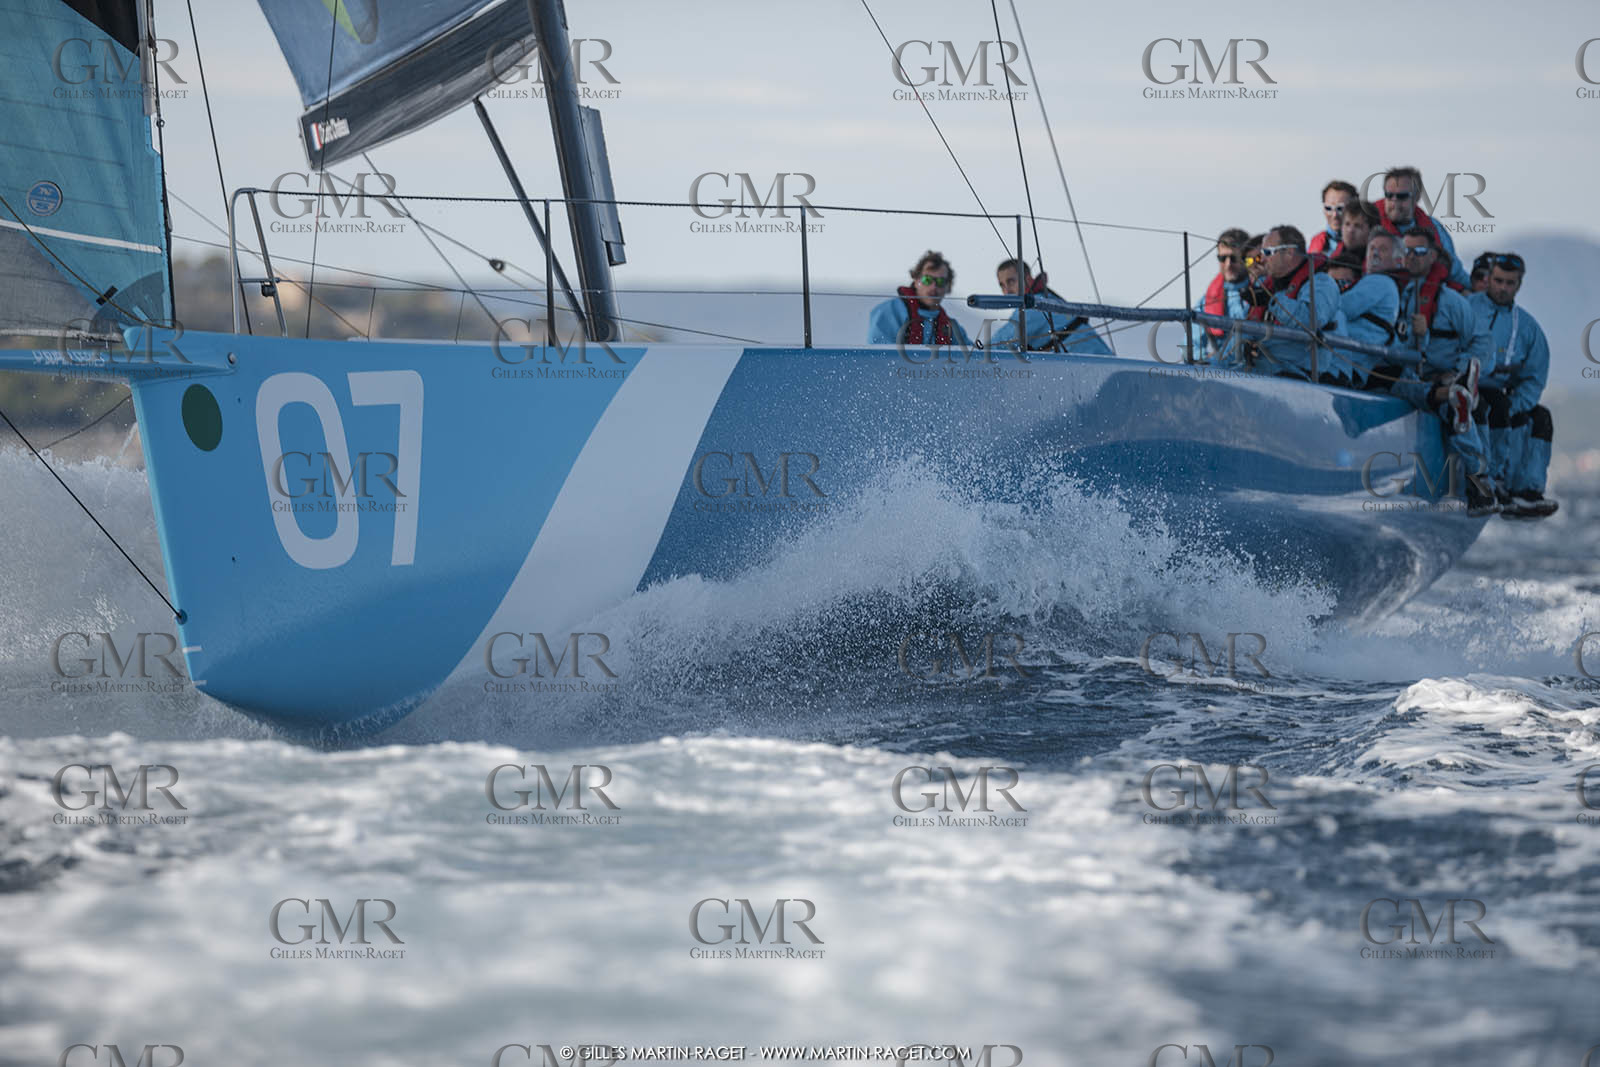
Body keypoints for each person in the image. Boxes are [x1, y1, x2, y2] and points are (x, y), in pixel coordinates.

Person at [1392, 229, 1495, 513]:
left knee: (1455, 407)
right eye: (1407, 251)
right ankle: (1480, 484)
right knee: (1430, 394)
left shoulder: (1451, 302)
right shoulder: (1395, 292)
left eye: (1419, 251)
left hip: (1440, 373)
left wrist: (1461, 370)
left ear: (1433, 256)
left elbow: (1482, 340)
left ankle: (1455, 392)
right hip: (1408, 374)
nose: (1411, 257)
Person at [1469, 253, 1557, 518]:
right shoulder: (1465, 308)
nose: (1502, 288)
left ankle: (1527, 492)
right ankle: (1488, 481)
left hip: (1502, 395)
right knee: (1491, 405)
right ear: (1488, 280)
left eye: (1509, 283)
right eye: (1497, 281)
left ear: (1519, 285)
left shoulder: (1529, 328)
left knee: (1539, 417)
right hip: (1467, 386)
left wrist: (1516, 404)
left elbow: (1534, 378)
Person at [1244, 225, 1342, 381]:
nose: (1262, 259)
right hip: (1266, 365)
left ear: (1289, 253)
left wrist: (1271, 301)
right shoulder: (1269, 286)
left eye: (1268, 252)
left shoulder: (1321, 283)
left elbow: (1311, 320)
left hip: (1298, 372)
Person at [1375, 166, 1469, 288]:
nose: (1394, 202)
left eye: (1402, 196)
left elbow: (1455, 271)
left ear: (1417, 197)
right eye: (1389, 195)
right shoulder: (1367, 225)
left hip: (1426, 295)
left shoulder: (1435, 228)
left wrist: (1472, 290)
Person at [989, 259, 1111, 353]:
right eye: (1002, 285)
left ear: (1028, 279)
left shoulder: (1035, 307)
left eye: (1011, 282)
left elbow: (999, 344)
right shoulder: (1047, 299)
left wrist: (972, 351)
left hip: (1095, 370)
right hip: (1102, 367)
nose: (1006, 290)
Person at [1338, 232, 1406, 387]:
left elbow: (1342, 307)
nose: (1375, 253)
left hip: (1345, 362)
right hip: (1355, 364)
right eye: (1372, 248)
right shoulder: (1390, 286)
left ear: (1398, 261)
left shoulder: (1380, 281)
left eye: (1382, 249)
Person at [867, 250, 972, 346]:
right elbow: (880, 357)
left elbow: (974, 358)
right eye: (927, 280)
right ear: (916, 281)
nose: (933, 287)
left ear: (948, 287)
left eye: (940, 282)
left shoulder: (950, 328)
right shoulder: (890, 312)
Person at [1190, 228, 1251, 360]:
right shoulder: (1206, 301)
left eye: (1234, 258)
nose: (1228, 264)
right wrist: (1206, 359)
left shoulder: (1264, 293)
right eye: (1223, 258)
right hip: (1225, 372)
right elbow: (1191, 346)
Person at [1309, 180, 1358, 255]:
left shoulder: (1369, 243)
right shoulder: (1316, 244)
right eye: (1328, 208)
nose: (1334, 215)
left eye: (1340, 209)